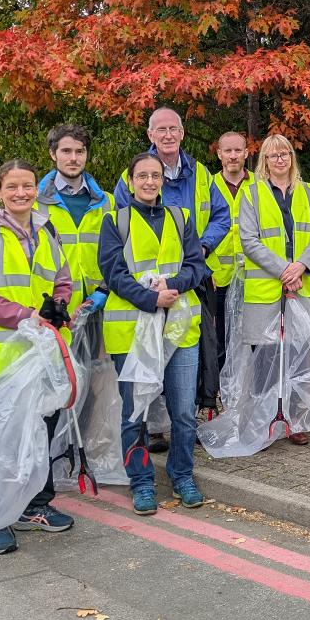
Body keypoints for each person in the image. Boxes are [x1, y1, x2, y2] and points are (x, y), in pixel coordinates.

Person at [0, 159, 75, 555]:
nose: (21, 193)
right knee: (0, 439)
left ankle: (35, 507)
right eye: (12, 187)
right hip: (0, 358)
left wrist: (58, 305)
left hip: (42, 354)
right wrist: (27, 317)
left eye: (27, 186)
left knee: (40, 432)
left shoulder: (47, 229)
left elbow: (62, 279)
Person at [98, 152, 208, 514]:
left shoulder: (182, 217)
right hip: (131, 331)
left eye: (155, 176)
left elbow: (197, 266)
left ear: (163, 180)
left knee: (183, 413)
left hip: (179, 330)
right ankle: (142, 482)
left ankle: (182, 475)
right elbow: (113, 273)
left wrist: (172, 285)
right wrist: (151, 298)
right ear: (130, 182)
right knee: (135, 413)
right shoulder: (115, 220)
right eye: (141, 176)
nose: (149, 181)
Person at [114, 107, 231, 433]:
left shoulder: (201, 173)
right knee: (149, 353)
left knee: (189, 354)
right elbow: (122, 224)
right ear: (150, 134)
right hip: (147, 286)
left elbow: (222, 216)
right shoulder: (134, 173)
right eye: (160, 129)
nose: (167, 135)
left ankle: (183, 423)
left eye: (173, 129)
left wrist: (202, 247)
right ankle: (153, 428)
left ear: (182, 133)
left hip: (190, 280)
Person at [238, 133, 310, 445]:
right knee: (265, 360)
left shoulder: (309, 192)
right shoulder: (251, 194)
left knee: (300, 357)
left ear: (291, 157)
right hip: (266, 291)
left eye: (285, 154)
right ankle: (263, 420)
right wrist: (284, 270)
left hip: (303, 288)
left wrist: (300, 266)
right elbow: (249, 240)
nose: (280, 160)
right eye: (273, 155)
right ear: (264, 160)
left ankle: (295, 419)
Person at [36, 123, 114, 318]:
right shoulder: (34, 203)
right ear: (53, 154)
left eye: (80, 151)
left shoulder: (108, 202)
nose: (73, 158)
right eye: (66, 151)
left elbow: (120, 254)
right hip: (55, 309)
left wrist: (104, 291)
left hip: (101, 308)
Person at [207, 131, 254, 383]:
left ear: (247, 153)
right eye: (228, 151)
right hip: (218, 277)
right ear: (219, 154)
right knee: (220, 339)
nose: (233, 156)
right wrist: (205, 271)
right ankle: (220, 393)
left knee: (253, 339)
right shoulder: (207, 186)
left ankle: (251, 392)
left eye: (238, 150)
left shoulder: (259, 184)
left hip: (254, 277)